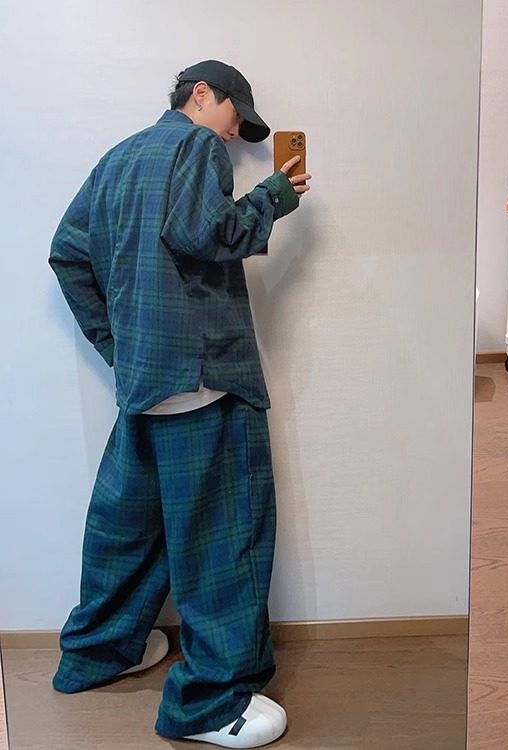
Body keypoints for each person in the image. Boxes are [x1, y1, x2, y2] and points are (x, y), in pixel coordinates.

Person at [48, 59, 311, 749]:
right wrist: (273, 198)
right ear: (201, 95)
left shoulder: (117, 159)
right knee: (224, 538)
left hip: (147, 382)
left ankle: (100, 653)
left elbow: (68, 253)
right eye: (234, 118)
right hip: (205, 376)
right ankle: (209, 704)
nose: (232, 135)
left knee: (128, 531)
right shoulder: (194, 145)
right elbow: (206, 234)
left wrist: (117, 346)